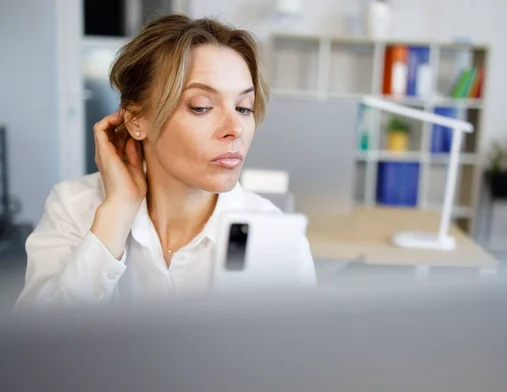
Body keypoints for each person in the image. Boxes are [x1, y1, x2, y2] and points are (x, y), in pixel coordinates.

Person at [16, 15, 316, 308]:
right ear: (136, 119)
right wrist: (117, 212)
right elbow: (37, 350)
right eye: (201, 107)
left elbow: (292, 354)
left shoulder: (275, 236)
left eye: (243, 107)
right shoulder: (74, 206)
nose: (235, 129)